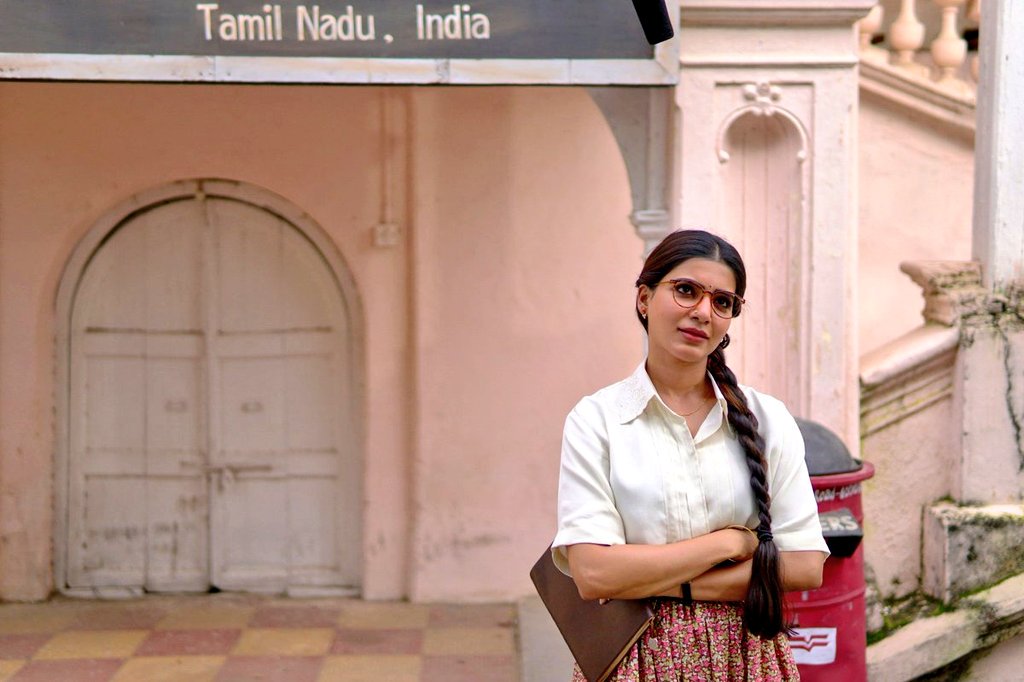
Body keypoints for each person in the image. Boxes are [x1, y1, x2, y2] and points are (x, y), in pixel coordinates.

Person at [552, 229, 829, 681]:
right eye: (685, 291)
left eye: (722, 302)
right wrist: (730, 543)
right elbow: (594, 574)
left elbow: (803, 564)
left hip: (746, 657)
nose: (703, 312)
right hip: (632, 656)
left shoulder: (766, 418)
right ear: (644, 298)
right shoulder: (597, 419)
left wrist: (665, 582)